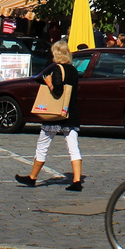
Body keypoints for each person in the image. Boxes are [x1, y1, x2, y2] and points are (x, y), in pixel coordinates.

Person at [14, 40, 85, 191]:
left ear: (56, 54)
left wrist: (49, 83)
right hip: (70, 113)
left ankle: (32, 177)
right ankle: (77, 180)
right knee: (73, 146)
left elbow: (58, 90)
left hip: (55, 113)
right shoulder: (73, 69)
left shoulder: (57, 69)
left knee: (43, 145)